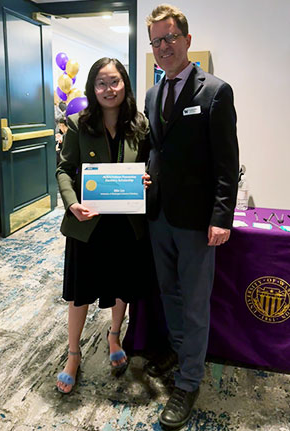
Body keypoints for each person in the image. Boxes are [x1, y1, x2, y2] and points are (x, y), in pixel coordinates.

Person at [143, 4, 239, 429]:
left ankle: (189, 381)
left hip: (199, 220)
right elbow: (157, 148)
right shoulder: (152, 92)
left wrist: (223, 216)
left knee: (196, 302)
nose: (163, 47)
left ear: (186, 40)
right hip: (159, 214)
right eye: (156, 41)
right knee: (169, 293)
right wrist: (146, 176)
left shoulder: (215, 91)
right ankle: (182, 357)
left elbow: (226, 162)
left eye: (169, 38)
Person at [56, 57, 150, 394]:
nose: (108, 89)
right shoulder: (78, 124)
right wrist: (71, 202)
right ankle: (73, 353)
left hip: (126, 225)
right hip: (88, 223)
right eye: (101, 83)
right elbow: (64, 169)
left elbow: (149, 166)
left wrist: (148, 180)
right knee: (80, 292)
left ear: (124, 83)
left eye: (114, 82)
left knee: (122, 285)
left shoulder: (140, 124)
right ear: (92, 88)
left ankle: (114, 335)